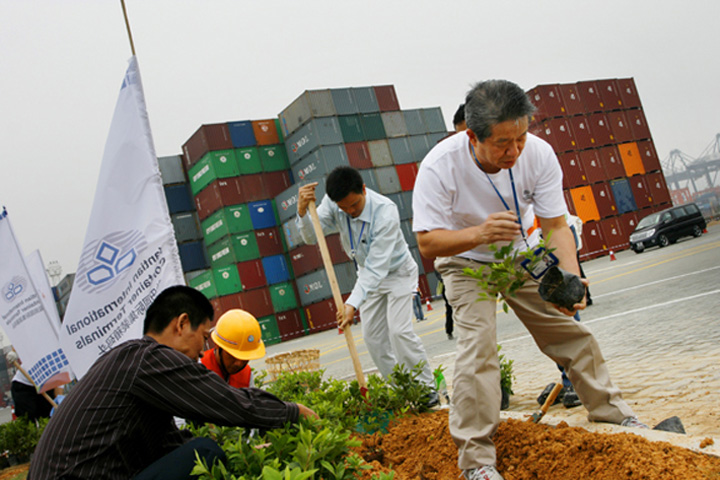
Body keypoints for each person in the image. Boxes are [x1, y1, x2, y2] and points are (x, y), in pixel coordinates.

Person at [412, 80, 646, 480]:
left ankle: (614, 415)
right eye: (503, 143)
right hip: (465, 260)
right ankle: (477, 460)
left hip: (519, 253)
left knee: (568, 331)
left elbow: (555, 224)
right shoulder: (439, 166)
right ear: (472, 136)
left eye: (520, 137)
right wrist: (479, 234)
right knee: (478, 349)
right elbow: (428, 243)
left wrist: (569, 278)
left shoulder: (537, 153)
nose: (514, 151)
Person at [29, 286, 317, 480]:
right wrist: (291, 412)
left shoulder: (131, 360)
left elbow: (168, 444)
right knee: (205, 453)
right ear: (181, 324)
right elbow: (225, 402)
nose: (204, 350)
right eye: (204, 337)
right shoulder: (151, 358)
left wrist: (244, 452)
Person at [296, 166, 438, 406]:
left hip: (396, 273)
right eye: (344, 208)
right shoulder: (334, 204)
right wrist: (302, 213)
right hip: (367, 276)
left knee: (399, 332)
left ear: (363, 189)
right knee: (373, 339)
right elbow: (312, 237)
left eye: (354, 205)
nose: (350, 212)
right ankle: (403, 391)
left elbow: (378, 267)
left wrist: (352, 303)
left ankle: (426, 388)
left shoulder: (385, 211)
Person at [201, 309, 265, 388]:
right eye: (232, 356)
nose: (238, 363)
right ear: (217, 345)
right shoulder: (200, 368)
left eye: (245, 358)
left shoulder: (246, 375)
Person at [5, 349, 62, 421]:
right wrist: (14, 352)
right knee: (27, 418)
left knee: (49, 417)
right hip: (23, 384)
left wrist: (59, 403)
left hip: (46, 385)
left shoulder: (63, 363)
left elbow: (59, 384)